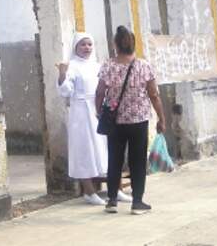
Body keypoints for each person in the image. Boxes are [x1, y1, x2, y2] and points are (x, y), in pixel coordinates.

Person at [95, 25, 165, 215]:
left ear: (115, 45)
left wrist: (99, 112)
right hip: (139, 121)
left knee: (114, 159)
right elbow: (154, 95)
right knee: (137, 161)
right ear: (133, 44)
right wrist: (161, 118)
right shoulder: (144, 66)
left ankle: (111, 201)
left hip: (115, 121)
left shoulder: (108, 66)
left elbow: (100, 93)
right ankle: (137, 202)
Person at [56, 32, 110, 205]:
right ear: (76, 47)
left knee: (102, 149)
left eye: (89, 44)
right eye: (82, 45)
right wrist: (62, 73)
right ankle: (89, 192)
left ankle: (113, 189)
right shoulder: (71, 66)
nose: (87, 48)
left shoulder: (97, 65)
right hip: (80, 113)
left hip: (97, 111)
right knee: (84, 150)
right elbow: (65, 91)